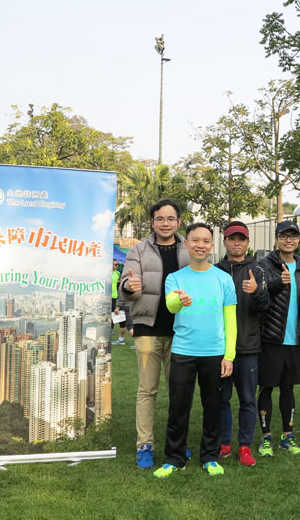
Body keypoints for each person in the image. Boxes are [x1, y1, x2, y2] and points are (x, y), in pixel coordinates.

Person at [153, 223, 236, 478]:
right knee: (178, 407)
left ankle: (210, 456)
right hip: (183, 351)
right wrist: (179, 299)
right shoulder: (175, 278)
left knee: (213, 407)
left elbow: (231, 320)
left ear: (212, 245)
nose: (201, 245)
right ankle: (175, 458)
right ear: (186, 244)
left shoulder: (224, 279)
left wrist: (229, 355)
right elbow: (171, 306)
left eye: (206, 241)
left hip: (215, 353)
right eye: (195, 240)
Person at [120, 199, 189, 469]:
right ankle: (145, 445)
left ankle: (177, 444)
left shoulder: (188, 248)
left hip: (181, 331)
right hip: (148, 328)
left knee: (178, 391)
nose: (165, 223)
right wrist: (129, 286)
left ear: (179, 222)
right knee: (147, 390)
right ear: (152, 222)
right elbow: (125, 286)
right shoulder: (138, 250)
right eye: (160, 218)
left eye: (170, 219)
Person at [215, 221, 270, 468]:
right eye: (232, 238)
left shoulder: (257, 271)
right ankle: (224, 443)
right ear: (225, 242)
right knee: (221, 398)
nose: (237, 243)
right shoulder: (215, 271)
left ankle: (244, 445)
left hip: (248, 346)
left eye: (241, 239)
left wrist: (256, 291)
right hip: (219, 347)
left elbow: (266, 305)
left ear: (248, 242)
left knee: (248, 399)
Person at [256, 221, 300, 456]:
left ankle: (287, 436)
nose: (288, 240)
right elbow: (259, 295)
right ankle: (266, 437)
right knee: (267, 387)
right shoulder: (264, 265)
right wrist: (277, 283)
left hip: (294, 339)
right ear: (276, 239)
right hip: (271, 337)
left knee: (288, 388)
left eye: (293, 236)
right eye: (283, 236)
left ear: (298, 240)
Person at [112, 259, 128, 345]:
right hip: (112, 297)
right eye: (115, 264)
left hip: (118, 298)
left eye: (117, 264)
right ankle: (120, 338)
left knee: (125, 321)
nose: (117, 266)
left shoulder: (118, 273)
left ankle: (121, 339)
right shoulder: (108, 273)